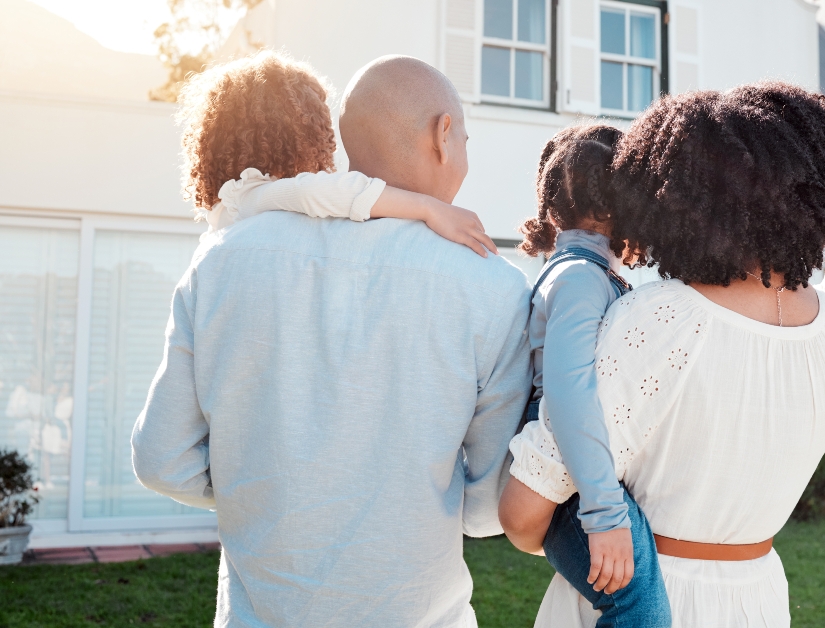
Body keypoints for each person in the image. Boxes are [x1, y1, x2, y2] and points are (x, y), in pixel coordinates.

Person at [500, 83, 825, 627]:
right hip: (757, 599)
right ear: (815, 194)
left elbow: (522, 513)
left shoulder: (658, 318)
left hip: (639, 586)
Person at [131, 53, 531, 627]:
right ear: (445, 136)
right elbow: (490, 506)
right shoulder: (492, 285)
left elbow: (162, 461)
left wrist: (268, 486)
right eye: (465, 136)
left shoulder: (222, 260)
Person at [503, 124, 671, 627]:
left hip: (582, 476)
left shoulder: (584, 272)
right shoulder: (580, 277)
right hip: (574, 485)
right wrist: (603, 514)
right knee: (637, 607)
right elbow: (569, 394)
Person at [177, 51, 496, 257]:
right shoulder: (251, 197)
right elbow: (327, 191)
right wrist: (430, 209)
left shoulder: (235, 212)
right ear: (298, 137)